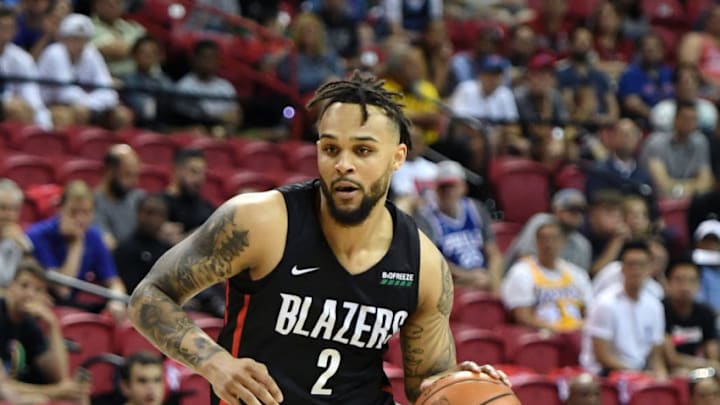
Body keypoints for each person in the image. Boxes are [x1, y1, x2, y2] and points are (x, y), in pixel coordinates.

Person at [127, 71, 509, 405]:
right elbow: (149, 296)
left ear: (398, 157)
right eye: (330, 148)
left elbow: (425, 384)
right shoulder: (260, 221)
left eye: (363, 150)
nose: (343, 164)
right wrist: (214, 362)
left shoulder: (423, 263)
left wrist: (460, 385)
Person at [27, 180, 127, 320]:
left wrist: (117, 301)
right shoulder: (38, 235)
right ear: (60, 209)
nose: (80, 219)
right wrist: (76, 244)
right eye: (73, 212)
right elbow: (62, 290)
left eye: (86, 212)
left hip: (73, 305)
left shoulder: (94, 236)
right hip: (46, 303)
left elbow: (114, 281)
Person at [1, 259, 91, 401]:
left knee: (79, 396)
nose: (30, 294)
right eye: (24, 286)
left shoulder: (28, 324)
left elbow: (59, 376)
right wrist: (54, 392)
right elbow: (2, 386)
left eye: (38, 290)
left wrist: (53, 324)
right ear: (9, 286)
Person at [580, 240, 668, 379]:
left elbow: (655, 356)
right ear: (622, 268)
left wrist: (661, 379)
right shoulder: (605, 303)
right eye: (631, 264)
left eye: (641, 265)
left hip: (639, 372)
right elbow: (602, 356)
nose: (636, 270)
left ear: (649, 268)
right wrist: (637, 375)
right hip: (606, 373)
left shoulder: (655, 305)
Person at [415, 160, 502, 292]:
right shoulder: (426, 219)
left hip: (484, 276)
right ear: (435, 190)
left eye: (452, 186)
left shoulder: (476, 208)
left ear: (463, 187)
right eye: (443, 187)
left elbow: (493, 252)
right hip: (452, 282)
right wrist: (470, 277)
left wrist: (492, 278)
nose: (448, 192)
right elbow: (435, 264)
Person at [502, 221, 592, 333]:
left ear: (563, 242)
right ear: (536, 242)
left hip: (578, 333)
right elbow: (523, 317)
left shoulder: (577, 273)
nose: (548, 244)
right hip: (545, 335)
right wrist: (558, 330)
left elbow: (589, 313)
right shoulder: (521, 272)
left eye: (554, 239)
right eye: (544, 239)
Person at [663, 257, 719, 374]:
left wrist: (710, 367)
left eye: (691, 280)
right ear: (668, 283)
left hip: (700, 372)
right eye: (679, 280)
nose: (685, 287)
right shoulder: (660, 310)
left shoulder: (705, 312)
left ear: (699, 285)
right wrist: (707, 365)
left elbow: (712, 354)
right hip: (670, 373)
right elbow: (671, 359)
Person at [114, 194, 170, 294]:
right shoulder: (125, 249)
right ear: (138, 214)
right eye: (149, 213)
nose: (154, 220)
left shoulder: (168, 250)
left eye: (160, 215)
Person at [94, 144, 144, 251]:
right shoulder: (94, 202)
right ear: (110, 172)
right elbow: (109, 245)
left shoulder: (139, 197)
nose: (135, 182)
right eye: (128, 175)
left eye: (136, 175)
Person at [162, 148, 215, 237]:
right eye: (194, 171)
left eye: (203, 173)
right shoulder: (159, 205)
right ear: (177, 170)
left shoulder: (206, 207)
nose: (200, 178)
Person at [0, 178, 32, 291]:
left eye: (15, 209)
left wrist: (26, 251)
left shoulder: (20, 239)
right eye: (3, 208)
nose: (10, 215)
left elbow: (32, 282)